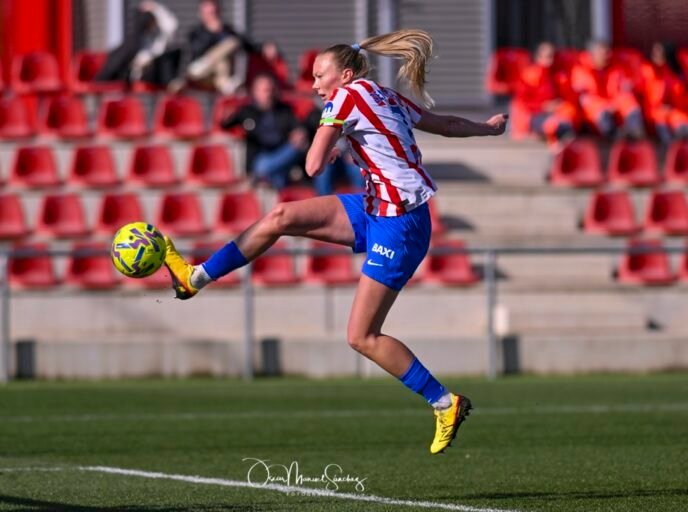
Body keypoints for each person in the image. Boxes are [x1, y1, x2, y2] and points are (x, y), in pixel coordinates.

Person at [162, 29, 508, 454]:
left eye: (318, 75)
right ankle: (194, 276)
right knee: (281, 216)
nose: (313, 85)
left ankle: (444, 402)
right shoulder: (384, 95)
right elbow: (447, 125)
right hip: (377, 207)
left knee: (361, 336)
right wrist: (488, 129)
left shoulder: (344, 99)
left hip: (398, 223)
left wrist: (327, 141)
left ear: (344, 75)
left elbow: (309, 165)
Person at [220, 72, 308, 189]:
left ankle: (267, 177)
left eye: (271, 90)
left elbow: (297, 127)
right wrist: (226, 117)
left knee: (299, 147)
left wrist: (299, 133)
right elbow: (226, 124)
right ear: (255, 92)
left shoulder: (284, 110)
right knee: (268, 170)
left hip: (281, 151)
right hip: (260, 157)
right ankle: (276, 177)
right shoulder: (247, 111)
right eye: (265, 90)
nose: (269, 94)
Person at [570, 40, 645, 138]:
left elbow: (622, 90)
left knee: (627, 100)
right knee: (595, 107)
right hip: (593, 112)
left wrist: (616, 102)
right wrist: (606, 106)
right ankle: (612, 135)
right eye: (604, 53)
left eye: (608, 52)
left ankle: (635, 130)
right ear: (593, 54)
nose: (607, 56)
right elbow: (584, 98)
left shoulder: (616, 68)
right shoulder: (581, 70)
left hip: (612, 103)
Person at [95, 1, 180, 87]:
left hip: (155, 72)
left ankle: (171, 82)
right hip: (137, 74)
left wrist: (156, 8)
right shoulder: (135, 42)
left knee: (168, 57)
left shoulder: (159, 38)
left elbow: (171, 26)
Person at [515, 42, 580, 148]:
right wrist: (543, 106)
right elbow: (522, 102)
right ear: (538, 57)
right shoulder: (529, 75)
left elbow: (569, 97)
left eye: (552, 56)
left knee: (569, 119)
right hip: (535, 115)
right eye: (547, 56)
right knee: (553, 125)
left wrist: (559, 104)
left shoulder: (559, 75)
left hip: (557, 113)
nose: (551, 60)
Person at [183, 0, 254, 94]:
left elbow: (246, 44)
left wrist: (263, 48)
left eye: (214, 12)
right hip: (199, 72)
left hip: (217, 76)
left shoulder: (226, 30)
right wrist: (212, 33)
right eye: (209, 13)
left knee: (222, 62)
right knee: (231, 42)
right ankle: (227, 85)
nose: (212, 16)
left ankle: (226, 85)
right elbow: (196, 50)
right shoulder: (195, 32)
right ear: (201, 14)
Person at [641, 42, 688, 143]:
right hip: (652, 111)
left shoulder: (671, 73)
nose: (656, 57)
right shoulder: (647, 70)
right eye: (654, 54)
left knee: (680, 118)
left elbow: (678, 97)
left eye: (659, 54)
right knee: (661, 116)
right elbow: (653, 99)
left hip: (672, 110)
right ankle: (668, 144)